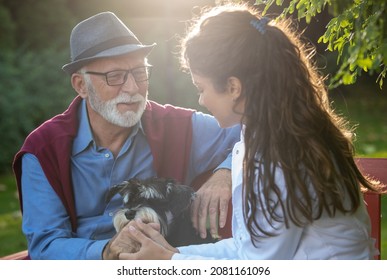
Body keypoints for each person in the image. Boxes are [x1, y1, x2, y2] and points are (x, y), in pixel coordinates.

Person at [118, 3, 380, 260]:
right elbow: (249, 250)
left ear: (233, 87)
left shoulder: (280, 155)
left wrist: (169, 262)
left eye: (201, 88)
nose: (201, 100)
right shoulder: (270, 133)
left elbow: (257, 266)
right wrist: (173, 253)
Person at [13, 11, 241, 260]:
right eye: (115, 76)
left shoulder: (177, 125)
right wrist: (106, 251)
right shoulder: (42, 150)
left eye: (140, 73)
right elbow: (45, 245)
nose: (133, 88)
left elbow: (260, 129)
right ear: (81, 85)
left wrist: (227, 171)